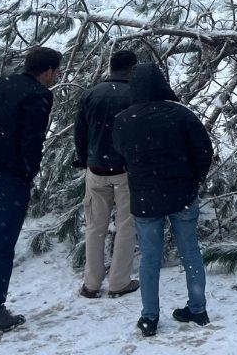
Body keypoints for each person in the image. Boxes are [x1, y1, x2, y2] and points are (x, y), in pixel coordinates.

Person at [0, 46, 62, 333]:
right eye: (57, 72)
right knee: (1, 246)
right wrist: (27, 173)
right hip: (6, 178)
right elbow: (32, 141)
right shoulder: (38, 95)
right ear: (48, 71)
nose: (56, 77)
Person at [112, 62, 214, 337]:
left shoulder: (123, 120)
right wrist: (194, 178)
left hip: (145, 199)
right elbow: (204, 151)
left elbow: (120, 154)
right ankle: (197, 308)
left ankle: (149, 317)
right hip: (182, 195)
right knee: (190, 251)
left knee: (149, 258)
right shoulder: (181, 115)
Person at [74, 49, 139, 299]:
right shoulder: (134, 95)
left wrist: (84, 159)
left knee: (94, 226)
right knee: (125, 225)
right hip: (125, 170)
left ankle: (91, 283)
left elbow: (80, 132)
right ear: (132, 68)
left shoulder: (91, 93)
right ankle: (119, 281)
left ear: (110, 67)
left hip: (95, 168)